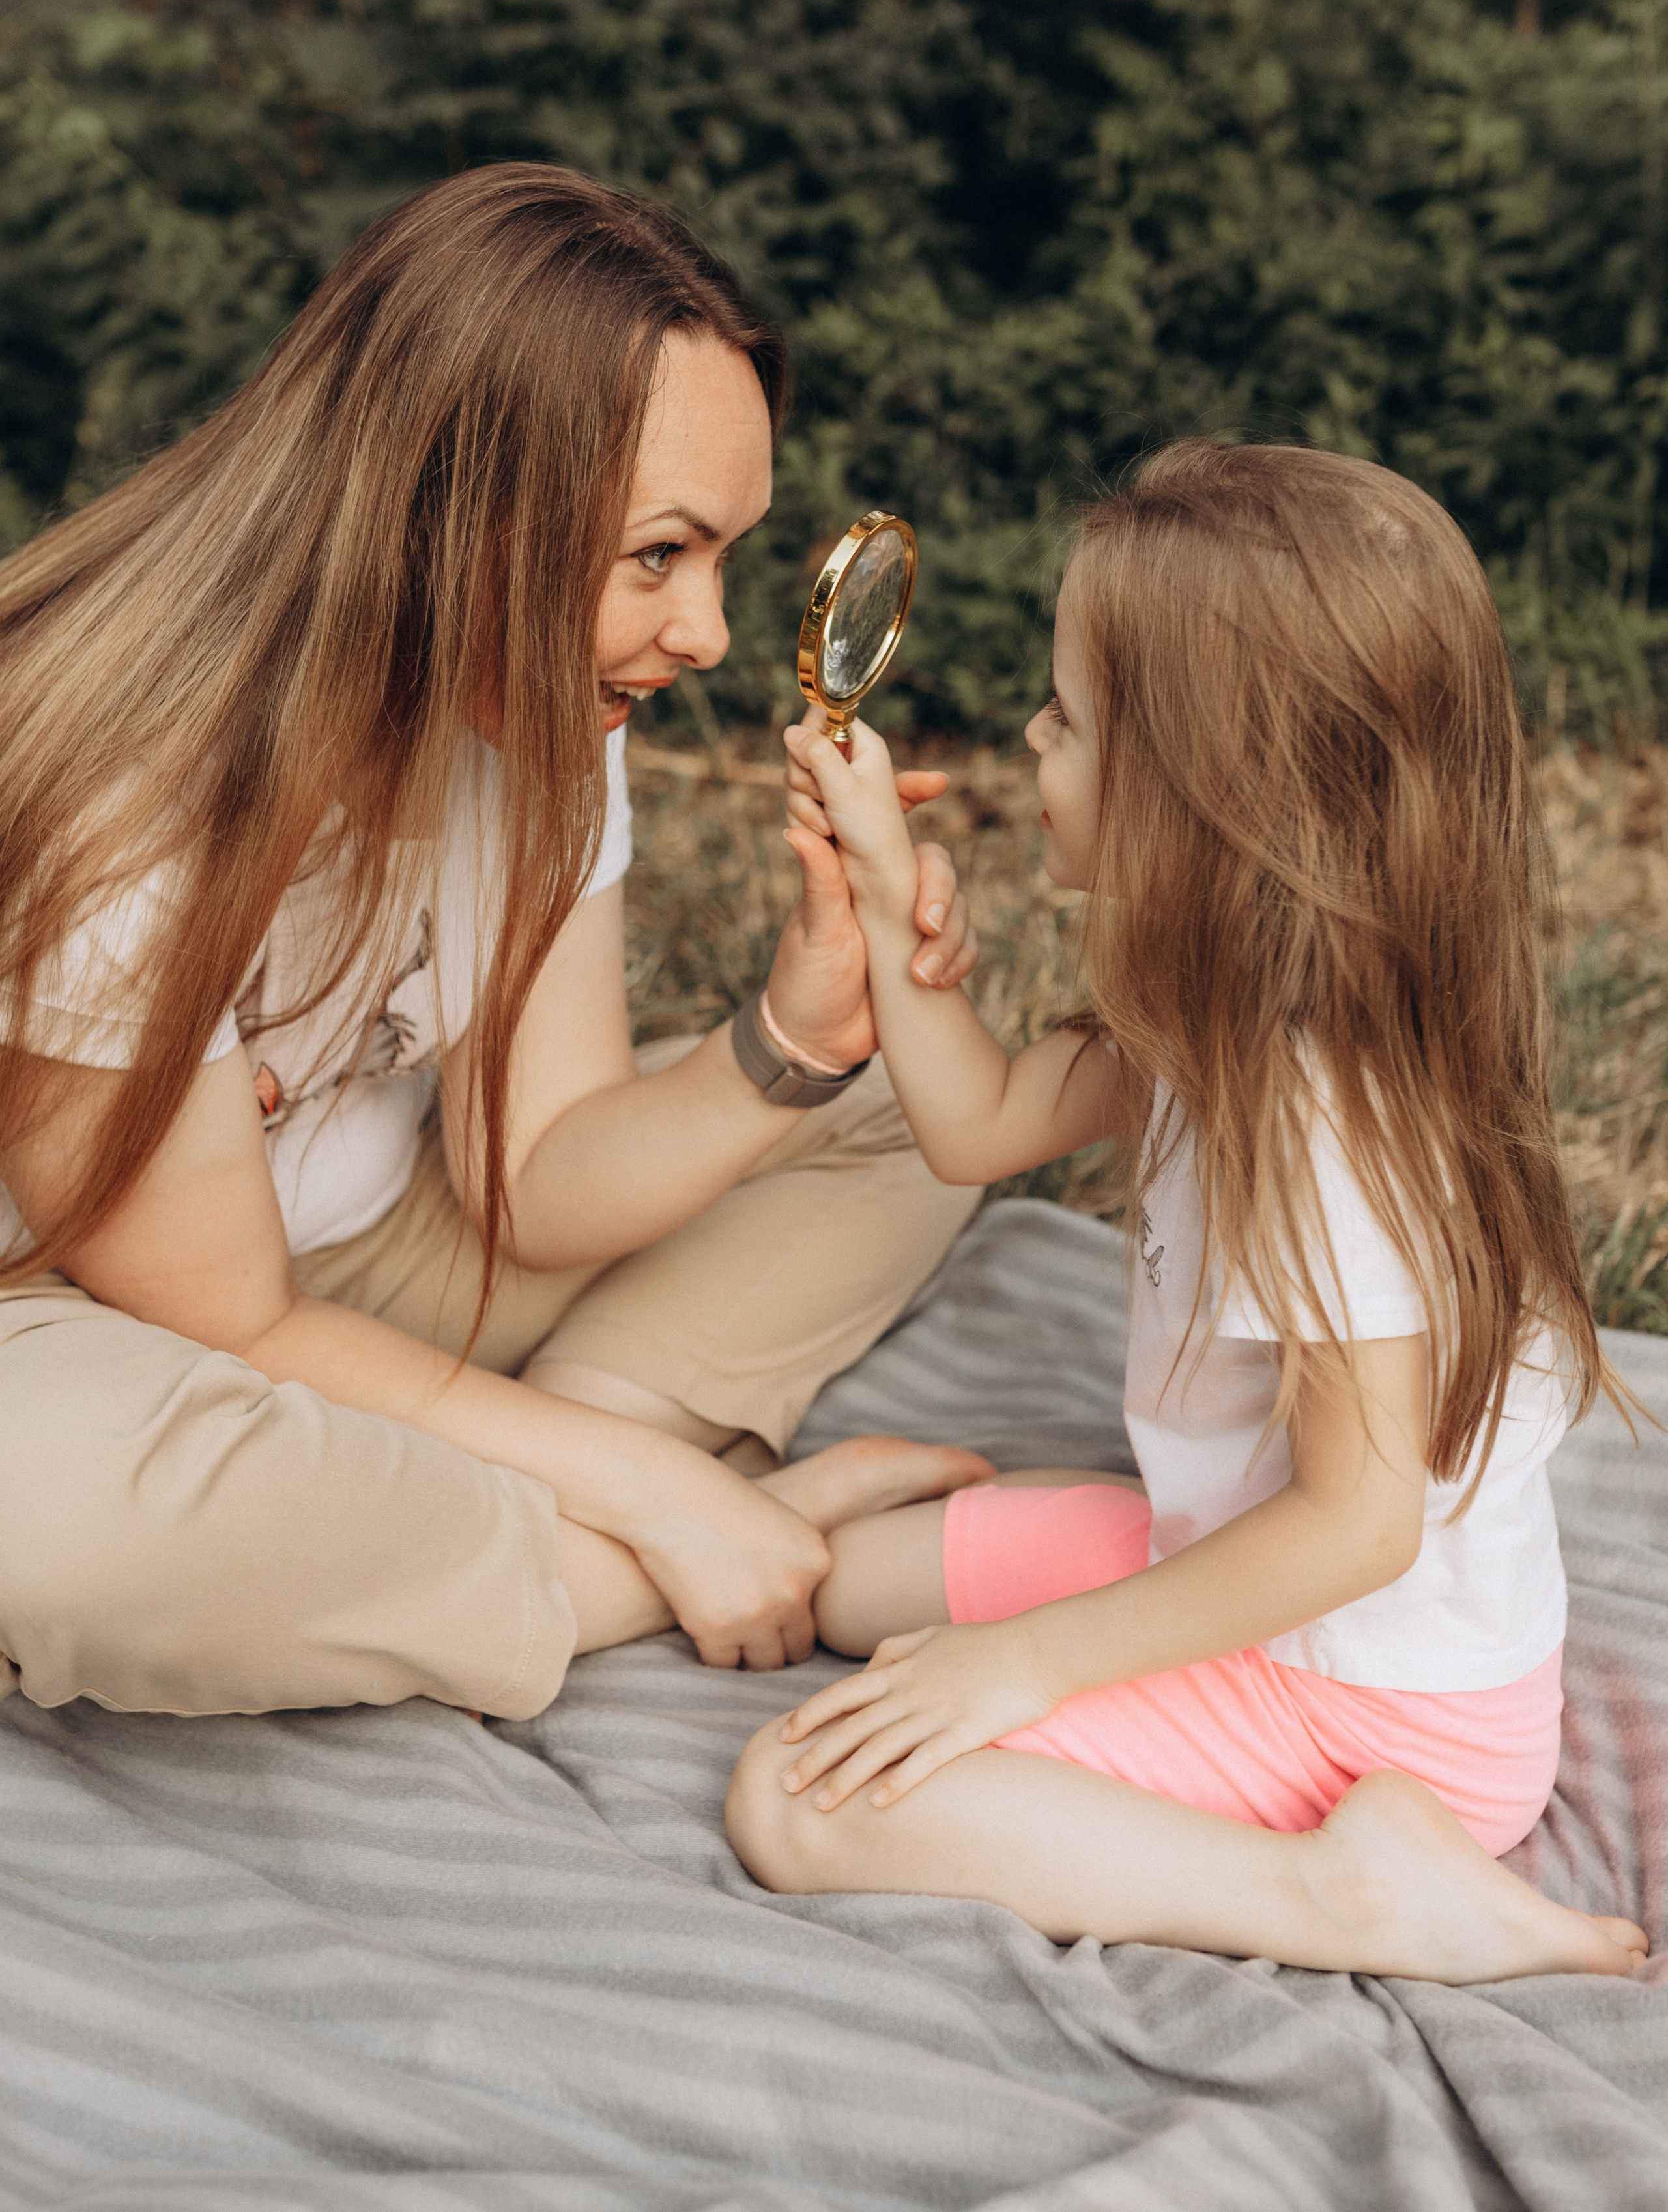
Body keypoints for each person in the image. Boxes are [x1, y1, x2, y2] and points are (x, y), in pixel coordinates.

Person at [0, 162, 991, 1724]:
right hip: (76, 1308)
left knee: (913, 1100)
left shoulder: (548, 706)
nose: (707, 635)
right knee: (73, 1540)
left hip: (371, 1255)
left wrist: (798, 1039)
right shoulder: (115, 791)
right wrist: (651, 1488)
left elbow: (530, 1178)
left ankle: (515, 1485)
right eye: (657, 556)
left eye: (722, 558)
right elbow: (225, 1316)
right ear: (447, 513)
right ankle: (654, 1538)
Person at [726, 440, 1651, 1985]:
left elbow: (1356, 1526)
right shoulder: (1210, 1010)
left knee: (796, 1798)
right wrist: (884, 897)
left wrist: (1019, 1668)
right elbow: (977, 1125)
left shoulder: (1322, 1116)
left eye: (1065, 718)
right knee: (845, 1591)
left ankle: (1347, 1894)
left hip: (1384, 1708)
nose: (1030, 738)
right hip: (1250, 1575)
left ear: (1199, 795)